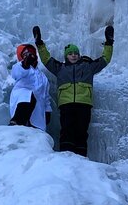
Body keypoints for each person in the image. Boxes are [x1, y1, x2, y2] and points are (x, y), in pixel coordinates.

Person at [32, 25, 113, 157]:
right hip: (66, 104)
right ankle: (66, 157)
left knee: (82, 131)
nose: (73, 55)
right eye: (70, 53)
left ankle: (81, 158)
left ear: (79, 55)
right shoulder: (60, 68)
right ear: (66, 56)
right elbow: (46, 59)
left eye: (76, 53)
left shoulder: (88, 67)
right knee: (67, 130)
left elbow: (105, 59)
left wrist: (109, 43)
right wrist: (39, 43)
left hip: (84, 103)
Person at [9, 44, 52, 131]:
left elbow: (46, 95)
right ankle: (17, 121)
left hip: (38, 109)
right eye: (25, 55)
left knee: (36, 131)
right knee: (28, 95)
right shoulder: (21, 68)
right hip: (22, 103)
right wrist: (25, 65)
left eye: (31, 54)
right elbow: (16, 73)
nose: (29, 56)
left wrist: (48, 110)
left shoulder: (43, 77)